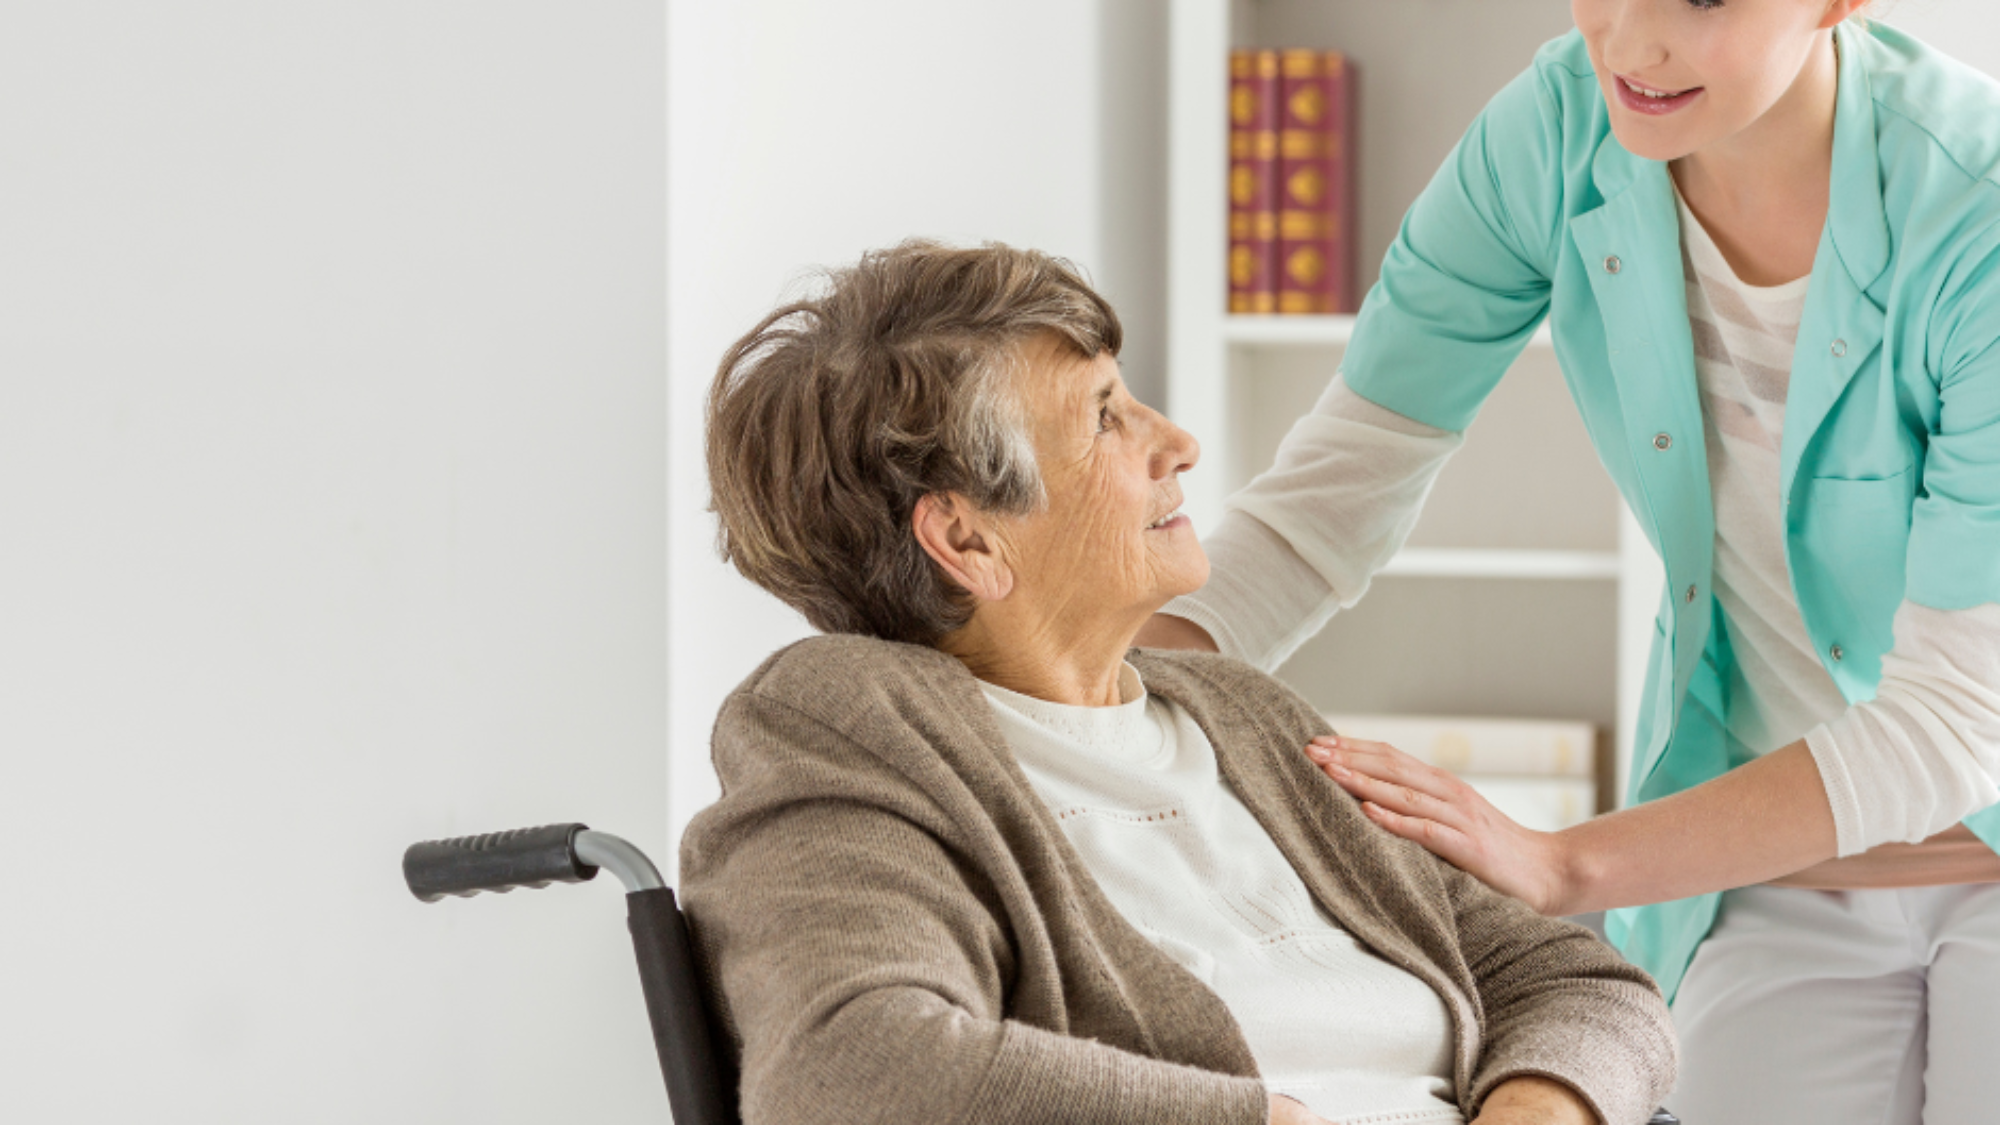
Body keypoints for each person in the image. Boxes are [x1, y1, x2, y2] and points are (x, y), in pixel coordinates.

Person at [1138, 3, 2000, 1122]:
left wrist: (1561, 866)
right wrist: (1063, 699)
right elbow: (1330, 496)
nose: (1628, 45)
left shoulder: (1971, 214)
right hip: (1766, 857)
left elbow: (1957, 718)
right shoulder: (1552, 134)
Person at [679, 241, 1675, 1125]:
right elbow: (850, 1076)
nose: (1175, 443)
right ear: (966, 537)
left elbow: (1578, 982)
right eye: (1103, 419)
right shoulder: (848, 741)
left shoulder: (1242, 717)